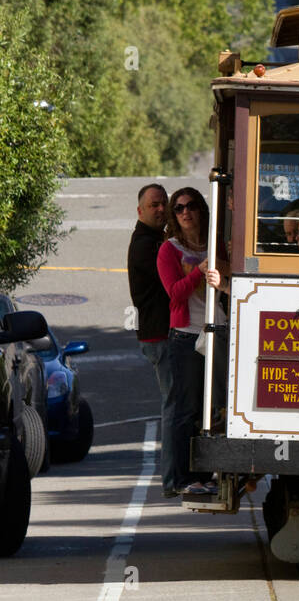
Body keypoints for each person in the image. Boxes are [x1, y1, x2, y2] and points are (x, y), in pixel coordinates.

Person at [157, 187, 221, 497]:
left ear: (202, 210)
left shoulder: (215, 243)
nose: (185, 212)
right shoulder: (169, 250)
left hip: (217, 331)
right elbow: (175, 294)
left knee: (212, 410)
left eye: (191, 206)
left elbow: (232, 285)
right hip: (185, 336)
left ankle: (204, 475)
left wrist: (222, 277)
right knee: (186, 409)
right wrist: (199, 271)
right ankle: (182, 478)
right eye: (179, 207)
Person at [127, 184, 174, 496]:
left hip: (164, 335)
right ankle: (173, 479)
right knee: (173, 406)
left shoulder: (158, 239)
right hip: (159, 337)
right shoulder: (145, 245)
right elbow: (177, 277)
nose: (161, 209)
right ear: (140, 210)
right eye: (154, 205)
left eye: (164, 204)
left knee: (180, 404)